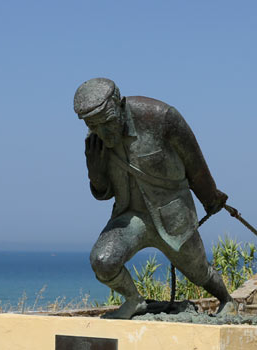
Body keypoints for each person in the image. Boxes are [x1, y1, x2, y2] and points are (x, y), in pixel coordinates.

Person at [73, 77, 234, 319]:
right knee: (103, 261)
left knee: (199, 271)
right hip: (129, 218)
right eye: (94, 126)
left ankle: (227, 300)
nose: (103, 133)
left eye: (107, 123)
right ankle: (134, 300)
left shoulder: (161, 117)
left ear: (120, 104)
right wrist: (95, 174)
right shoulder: (96, 139)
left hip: (173, 215)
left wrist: (210, 197)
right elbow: (104, 192)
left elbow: (194, 161)